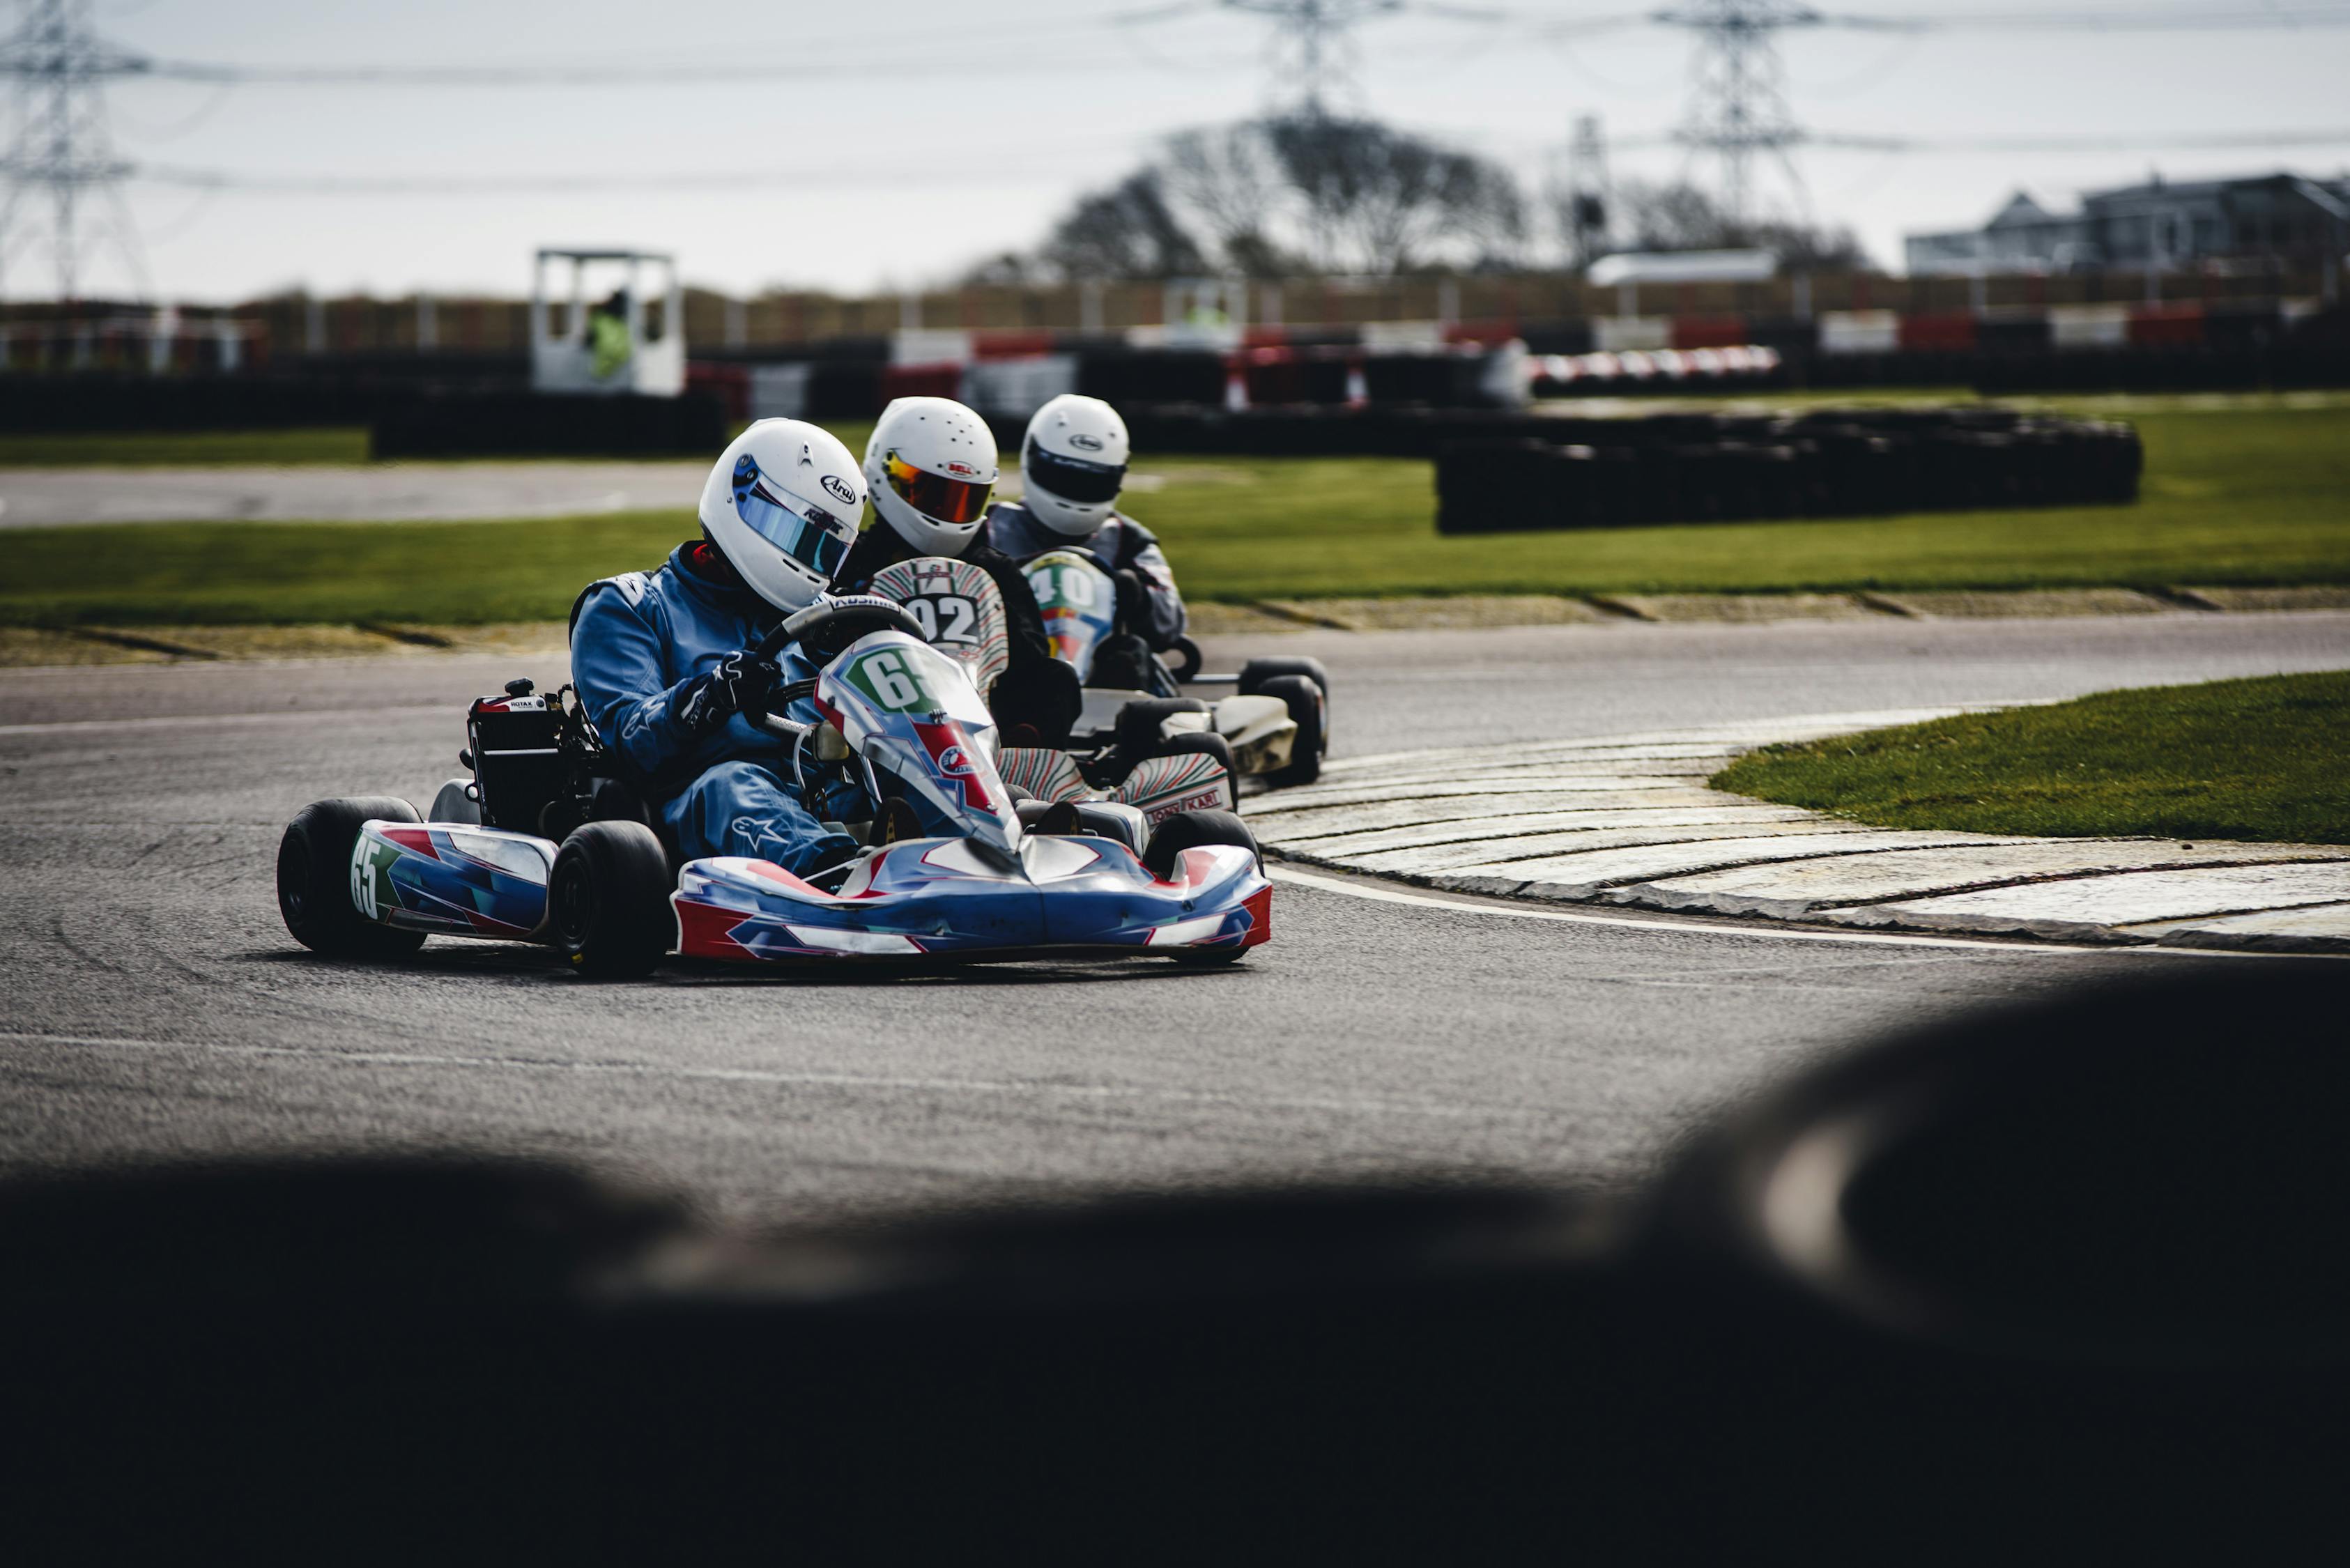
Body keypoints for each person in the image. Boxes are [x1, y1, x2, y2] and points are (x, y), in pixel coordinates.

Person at [569, 418, 870, 877]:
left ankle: (979, 850)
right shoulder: (630, 606)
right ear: (742, 501)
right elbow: (631, 741)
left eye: (820, 548)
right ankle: (837, 878)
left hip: (817, 790)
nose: (805, 560)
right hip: (693, 806)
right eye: (794, 535)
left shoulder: (828, 618)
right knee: (733, 784)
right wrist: (708, 696)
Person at [833, 395, 1078, 745]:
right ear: (887, 474)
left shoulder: (997, 573)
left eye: (964, 498)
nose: (947, 512)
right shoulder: (850, 565)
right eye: (934, 495)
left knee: (1058, 678)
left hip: (987, 721)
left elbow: (1031, 660)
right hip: (878, 720)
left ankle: (1018, 757)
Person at [984, 394, 1185, 687]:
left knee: (1132, 652)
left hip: (1101, 687)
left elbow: (1171, 624)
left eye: (1091, 482)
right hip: (1007, 677)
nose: (1074, 491)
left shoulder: (1128, 540)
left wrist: (1137, 597)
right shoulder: (990, 529)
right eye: (1063, 477)